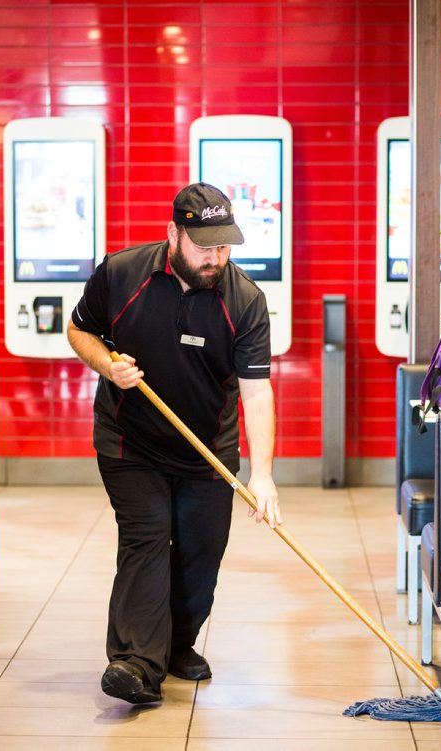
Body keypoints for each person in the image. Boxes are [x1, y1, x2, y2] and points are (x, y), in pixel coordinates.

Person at [67, 181, 281, 705]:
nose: (215, 258)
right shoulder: (121, 274)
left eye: (224, 246)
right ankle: (137, 663)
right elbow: (79, 331)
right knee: (147, 537)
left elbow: (256, 392)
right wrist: (107, 365)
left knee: (200, 552)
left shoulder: (246, 301)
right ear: (173, 234)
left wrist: (264, 473)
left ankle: (177, 642)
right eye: (204, 245)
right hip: (129, 440)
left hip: (207, 449)